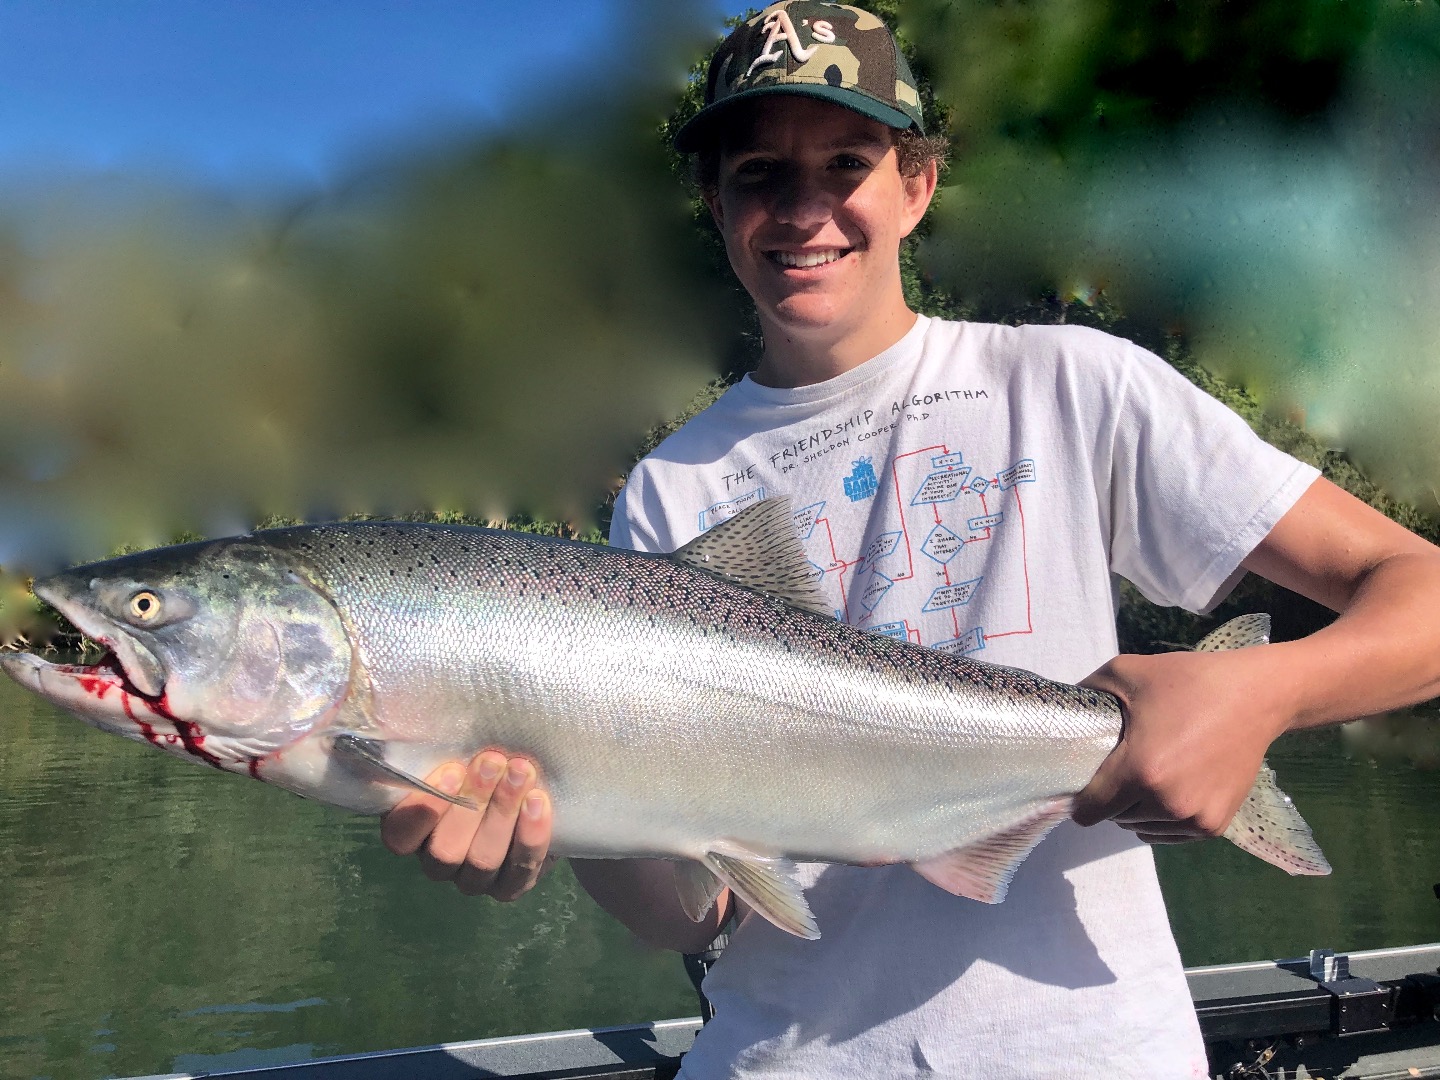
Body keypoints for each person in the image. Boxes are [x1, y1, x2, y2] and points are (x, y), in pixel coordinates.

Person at [379, 3, 1440, 1075]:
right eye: (759, 175)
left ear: (917, 186)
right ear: (715, 202)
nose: (804, 211)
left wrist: (1264, 694)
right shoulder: (673, 485)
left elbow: (1419, 590)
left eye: (846, 162)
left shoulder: (1075, 385)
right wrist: (558, 827)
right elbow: (696, 914)